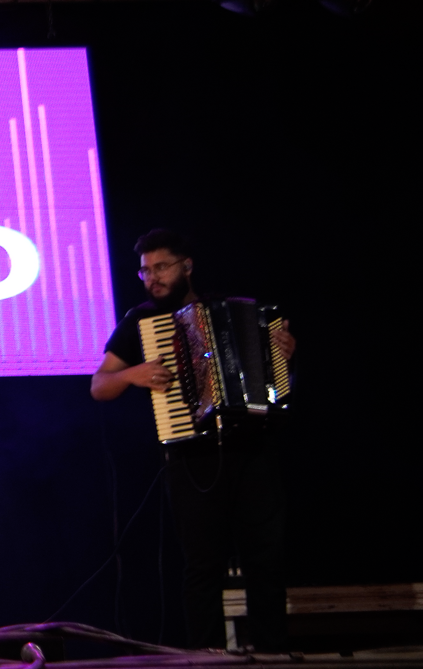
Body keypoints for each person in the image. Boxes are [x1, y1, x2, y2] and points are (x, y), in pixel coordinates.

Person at [91, 229, 294, 652]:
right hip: (190, 455)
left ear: (186, 266)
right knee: (202, 567)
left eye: (161, 267)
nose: (152, 278)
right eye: (145, 271)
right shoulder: (141, 321)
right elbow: (99, 385)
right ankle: (205, 656)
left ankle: (273, 653)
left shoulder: (232, 309)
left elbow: (274, 377)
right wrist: (132, 374)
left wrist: (281, 353)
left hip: (251, 448)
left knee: (266, 560)